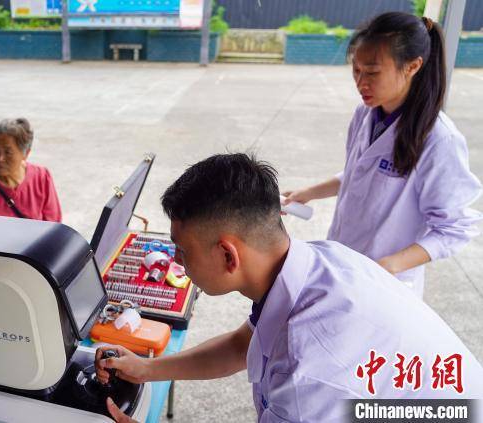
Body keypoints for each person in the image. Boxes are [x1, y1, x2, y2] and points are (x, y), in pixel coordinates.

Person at [95, 153, 483, 423]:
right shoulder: (316, 261)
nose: (178, 262)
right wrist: (147, 369)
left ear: (229, 256)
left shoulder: (306, 368)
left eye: (182, 251)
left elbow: (301, 378)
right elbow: (241, 345)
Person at [282, 12, 481, 298]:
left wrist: (391, 264)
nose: (361, 82)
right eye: (356, 70)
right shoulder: (365, 115)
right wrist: (310, 192)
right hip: (342, 261)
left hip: (386, 283)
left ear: (412, 66)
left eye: (373, 72)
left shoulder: (439, 140)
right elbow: (359, 172)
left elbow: (454, 227)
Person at [0, 118, 62, 226]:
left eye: (8, 152)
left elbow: (53, 225)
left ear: (26, 153)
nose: (0, 158)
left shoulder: (42, 177)